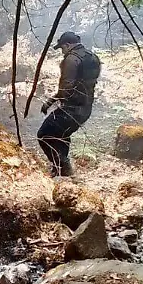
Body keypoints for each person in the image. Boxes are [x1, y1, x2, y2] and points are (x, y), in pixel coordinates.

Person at [38, 31, 101, 177]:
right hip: (86, 109)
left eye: (62, 48)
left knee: (43, 134)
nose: (62, 52)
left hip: (72, 110)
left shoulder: (71, 60)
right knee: (62, 134)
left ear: (67, 45)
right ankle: (61, 170)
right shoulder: (92, 57)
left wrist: (50, 102)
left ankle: (64, 167)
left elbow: (66, 88)